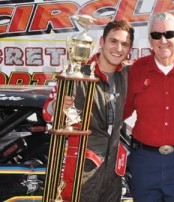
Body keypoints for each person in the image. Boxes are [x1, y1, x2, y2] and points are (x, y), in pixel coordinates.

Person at [43, 20, 135, 202]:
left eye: (124, 44)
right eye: (113, 41)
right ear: (102, 42)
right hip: (82, 171)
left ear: (129, 48)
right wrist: (59, 105)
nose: (118, 48)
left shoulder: (127, 74)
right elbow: (47, 112)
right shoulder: (78, 73)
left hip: (113, 173)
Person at [123, 12, 174, 202]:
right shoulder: (136, 69)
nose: (163, 40)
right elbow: (121, 110)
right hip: (145, 163)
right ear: (150, 40)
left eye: (169, 34)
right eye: (156, 35)